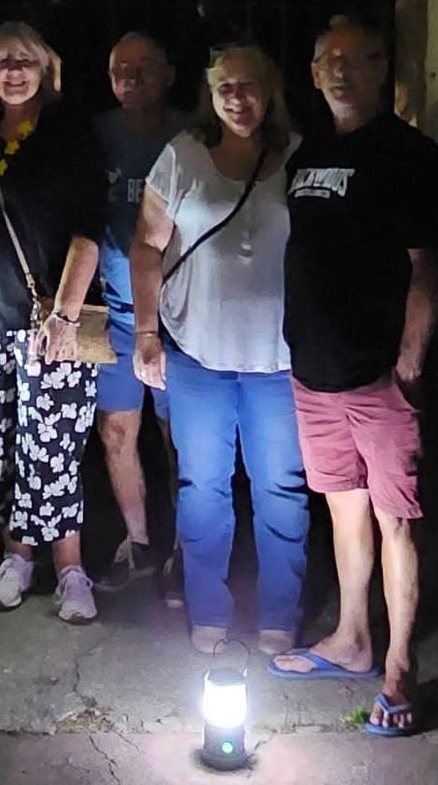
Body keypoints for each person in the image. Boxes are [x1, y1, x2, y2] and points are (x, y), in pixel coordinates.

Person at [269, 16, 438, 740]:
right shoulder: (305, 156)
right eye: (329, 61)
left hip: (378, 375)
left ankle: (400, 669)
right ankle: (352, 639)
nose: (342, 71)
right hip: (313, 372)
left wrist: (408, 362)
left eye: (359, 59)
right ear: (313, 73)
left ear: (384, 68)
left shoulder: (413, 158)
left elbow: (428, 267)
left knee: (396, 522)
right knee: (342, 509)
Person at [132, 44, 307, 655]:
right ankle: (208, 608)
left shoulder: (297, 157)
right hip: (198, 354)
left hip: (279, 360)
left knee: (280, 489)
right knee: (202, 487)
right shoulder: (183, 157)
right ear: (210, 92)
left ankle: (279, 615)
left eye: (249, 85)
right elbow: (147, 248)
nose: (237, 98)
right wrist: (148, 334)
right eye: (225, 86)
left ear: (271, 89)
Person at [0, 22, 105, 622]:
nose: (14, 72)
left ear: (47, 70)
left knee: (55, 448)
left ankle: (70, 568)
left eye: (26, 61)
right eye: (2, 62)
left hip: (51, 320)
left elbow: (88, 230)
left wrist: (66, 316)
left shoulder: (69, 135)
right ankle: (16, 556)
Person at [90, 32, 183, 597]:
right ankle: (141, 544)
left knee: (181, 438)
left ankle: (184, 551)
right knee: (117, 432)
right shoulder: (97, 136)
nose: (131, 77)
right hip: (115, 313)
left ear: (169, 74)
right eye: (119, 67)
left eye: (144, 67)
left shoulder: (190, 136)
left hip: (177, 316)